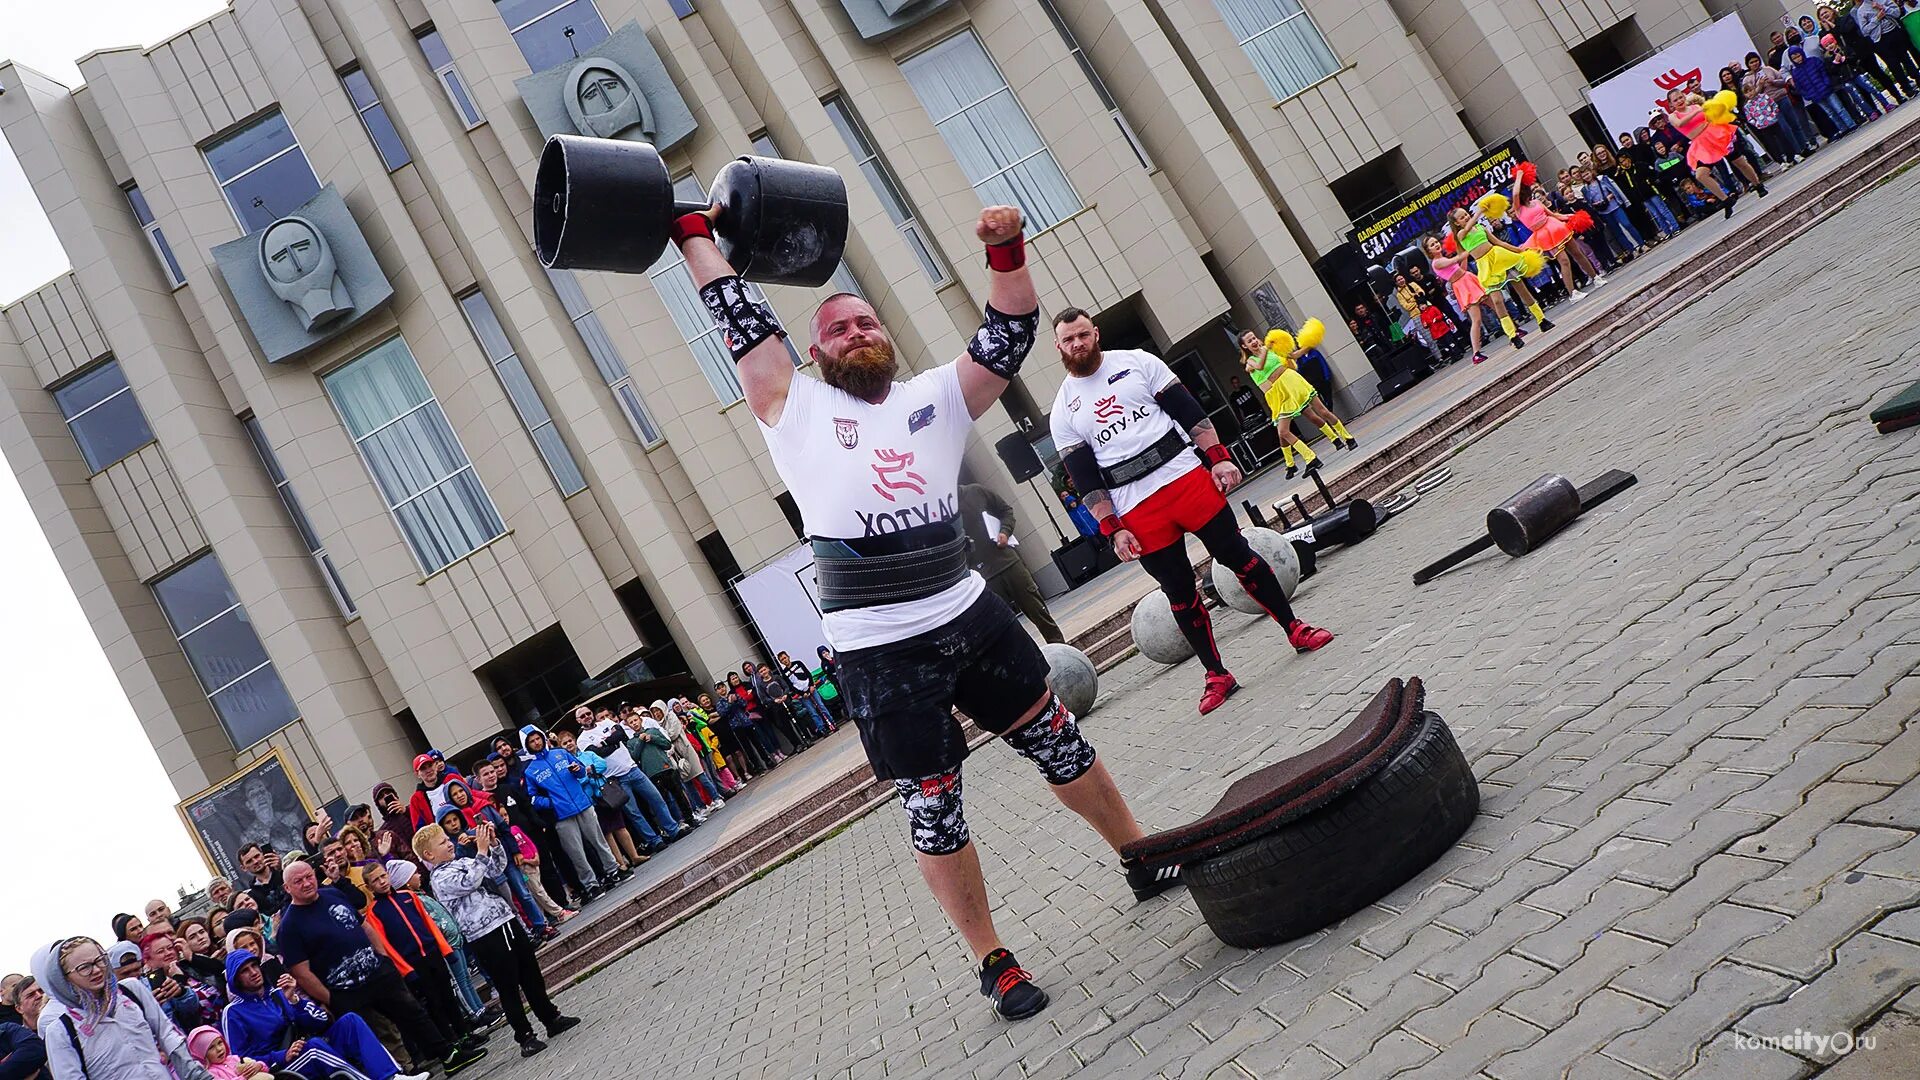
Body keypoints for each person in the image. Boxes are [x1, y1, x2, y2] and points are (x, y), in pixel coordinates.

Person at [668, 198, 1179, 1020]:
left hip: (970, 616)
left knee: (1059, 742)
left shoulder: (934, 397)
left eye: (864, 321)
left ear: (886, 334)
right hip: (879, 650)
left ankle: (1142, 854)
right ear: (813, 353)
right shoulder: (793, 407)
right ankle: (994, 960)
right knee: (934, 807)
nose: (854, 333)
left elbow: (1009, 334)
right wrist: (694, 234)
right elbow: (739, 315)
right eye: (835, 331)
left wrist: (1005, 247)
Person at [1055, 308, 1335, 713]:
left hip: (1185, 478)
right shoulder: (1064, 409)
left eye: (1083, 334)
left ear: (1096, 333)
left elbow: (1190, 414)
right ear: (1059, 347)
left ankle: (1295, 629)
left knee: (1239, 556)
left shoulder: (1138, 362)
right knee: (1179, 593)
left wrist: (1219, 458)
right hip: (1135, 508)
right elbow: (1083, 477)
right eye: (1069, 340)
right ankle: (1217, 675)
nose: (1078, 344)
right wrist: (1112, 528)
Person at [271, 861, 485, 1073]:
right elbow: (302, 973)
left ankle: (448, 1056)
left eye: (309, 876)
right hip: (345, 990)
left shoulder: (332, 895)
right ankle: (398, 1074)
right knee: (376, 1036)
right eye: (298, 881)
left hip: (378, 972)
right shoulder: (290, 926)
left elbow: (365, 926)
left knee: (414, 1013)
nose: (307, 883)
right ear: (287, 888)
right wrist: (332, 999)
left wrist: (383, 959)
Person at [415, 824, 579, 1057]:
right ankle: (525, 1036)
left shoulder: (461, 862)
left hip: (505, 921)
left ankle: (551, 1018)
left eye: (446, 839)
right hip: (485, 935)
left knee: (530, 973)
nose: (449, 843)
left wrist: (493, 844)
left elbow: (495, 869)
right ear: (429, 855)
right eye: (442, 843)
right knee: (508, 985)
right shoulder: (440, 878)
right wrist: (481, 852)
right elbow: (470, 882)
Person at [219, 949, 423, 1080]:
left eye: (254, 965)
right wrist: (282, 1055)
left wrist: (295, 1002)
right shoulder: (233, 1012)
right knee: (314, 1048)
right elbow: (239, 1059)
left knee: (349, 1021)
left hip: (306, 1045)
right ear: (236, 981)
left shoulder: (277, 995)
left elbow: (321, 1021)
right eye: (245, 970)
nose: (253, 972)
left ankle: (391, 1076)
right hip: (278, 1067)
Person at [517, 725, 627, 903]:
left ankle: (613, 870)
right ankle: (591, 885)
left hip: (583, 804)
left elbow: (582, 770)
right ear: (527, 745)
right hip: (561, 816)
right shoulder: (530, 771)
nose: (536, 742)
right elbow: (532, 798)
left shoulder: (560, 753)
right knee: (576, 852)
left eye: (538, 738)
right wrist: (551, 803)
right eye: (531, 741)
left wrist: (579, 770)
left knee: (598, 840)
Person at [1446, 202, 1554, 344]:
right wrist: (1479, 212)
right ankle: (1512, 335)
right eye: (1461, 217)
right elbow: (1466, 229)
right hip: (1486, 265)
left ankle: (1542, 319)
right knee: (1497, 300)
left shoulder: (1480, 227)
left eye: (1466, 214)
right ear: (1456, 223)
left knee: (1522, 290)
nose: (1466, 217)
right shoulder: (1461, 234)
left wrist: (1519, 250)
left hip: (1500, 257)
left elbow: (1499, 243)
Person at [574, 705, 678, 852]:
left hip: (632, 768)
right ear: (578, 721)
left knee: (657, 799)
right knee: (634, 813)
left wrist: (605, 743)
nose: (586, 717)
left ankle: (673, 830)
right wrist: (612, 742)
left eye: (588, 713)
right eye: (582, 716)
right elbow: (596, 754)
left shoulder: (606, 723)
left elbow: (621, 735)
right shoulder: (582, 739)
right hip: (614, 778)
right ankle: (654, 840)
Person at [1662, 86, 1768, 211]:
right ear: (1671, 104)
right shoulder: (1674, 115)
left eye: (1681, 97)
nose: (1679, 101)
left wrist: (1702, 115)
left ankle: (1758, 185)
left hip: (1716, 136)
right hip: (1702, 145)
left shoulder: (1695, 107)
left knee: (1740, 162)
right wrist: (1698, 114)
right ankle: (1725, 199)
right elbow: (1680, 124)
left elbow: (1709, 120)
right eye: (1675, 100)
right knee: (1701, 175)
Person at [1513, 167, 1603, 300]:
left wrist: (1569, 216)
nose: (1528, 191)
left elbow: (1553, 214)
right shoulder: (1518, 209)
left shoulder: (1536, 202)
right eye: (1526, 189)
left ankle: (1596, 277)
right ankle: (1572, 293)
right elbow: (1515, 194)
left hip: (1555, 226)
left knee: (1577, 252)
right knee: (1564, 261)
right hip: (1545, 235)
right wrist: (1519, 176)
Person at [1424, 234, 1508, 365]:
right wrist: (1466, 248)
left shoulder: (1443, 258)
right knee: (1477, 319)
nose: (1436, 245)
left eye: (1436, 242)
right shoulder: (1437, 263)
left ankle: (1512, 329)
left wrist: (1464, 254)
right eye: (1432, 245)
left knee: (1495, 305)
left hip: (1468, 279)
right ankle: (1476, 353)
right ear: (1429, 251)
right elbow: (1454, 261)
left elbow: (1461, 268)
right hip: (1462, 286)